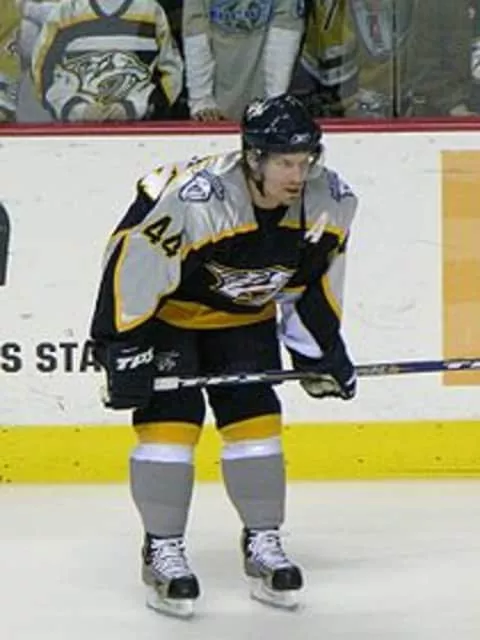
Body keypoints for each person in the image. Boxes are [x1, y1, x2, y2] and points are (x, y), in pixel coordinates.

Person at [89, 93, 358, 618]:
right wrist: (122, 346)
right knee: (170, 432)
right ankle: (162, 550)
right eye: (284, 163)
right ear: (254, 158)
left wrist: (321, 352)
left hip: (244, 320)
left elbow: (313, 284)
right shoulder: (198, 199)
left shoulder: (331, 200)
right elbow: (132, 265)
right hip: (168, 318)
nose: (297, 175)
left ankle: (263, 543)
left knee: (257, 427)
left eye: (305, 160)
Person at [30, 0, 184, 122]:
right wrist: (75, 109)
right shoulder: (66, 12)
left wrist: (135, 108)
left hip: (139, 132)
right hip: (74, 133)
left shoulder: (150, 11)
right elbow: (42, 70)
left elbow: (171, 71)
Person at [182, 0, 304, 121]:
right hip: (215, 107)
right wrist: (202, 99)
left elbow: (285, 33)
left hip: (264, 97)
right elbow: (196, 34)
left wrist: (275, 102)